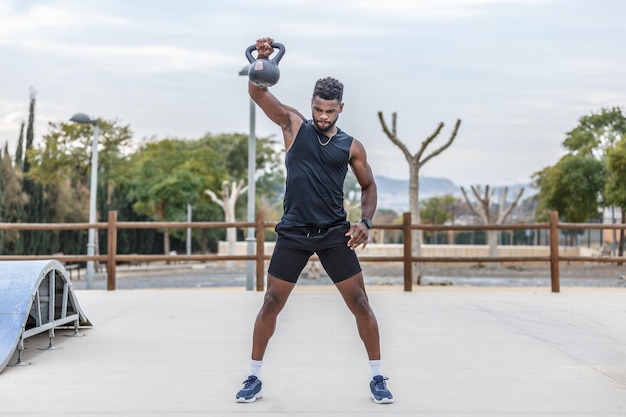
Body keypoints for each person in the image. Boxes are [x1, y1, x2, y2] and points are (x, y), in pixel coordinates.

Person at [235, 37, 393, 405]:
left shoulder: (351, 146)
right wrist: (262, 60)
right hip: (293, 232)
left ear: (341, 108)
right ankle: (253, 377)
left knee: (361, 304)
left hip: (334, 234)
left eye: (330, 112)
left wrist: (366, 223)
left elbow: (369, 187)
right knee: (271, 301)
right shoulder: (293, 125)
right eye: (318, 110)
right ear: (311, 104)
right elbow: (257, 93)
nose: (323, 117)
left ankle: (378, 377)